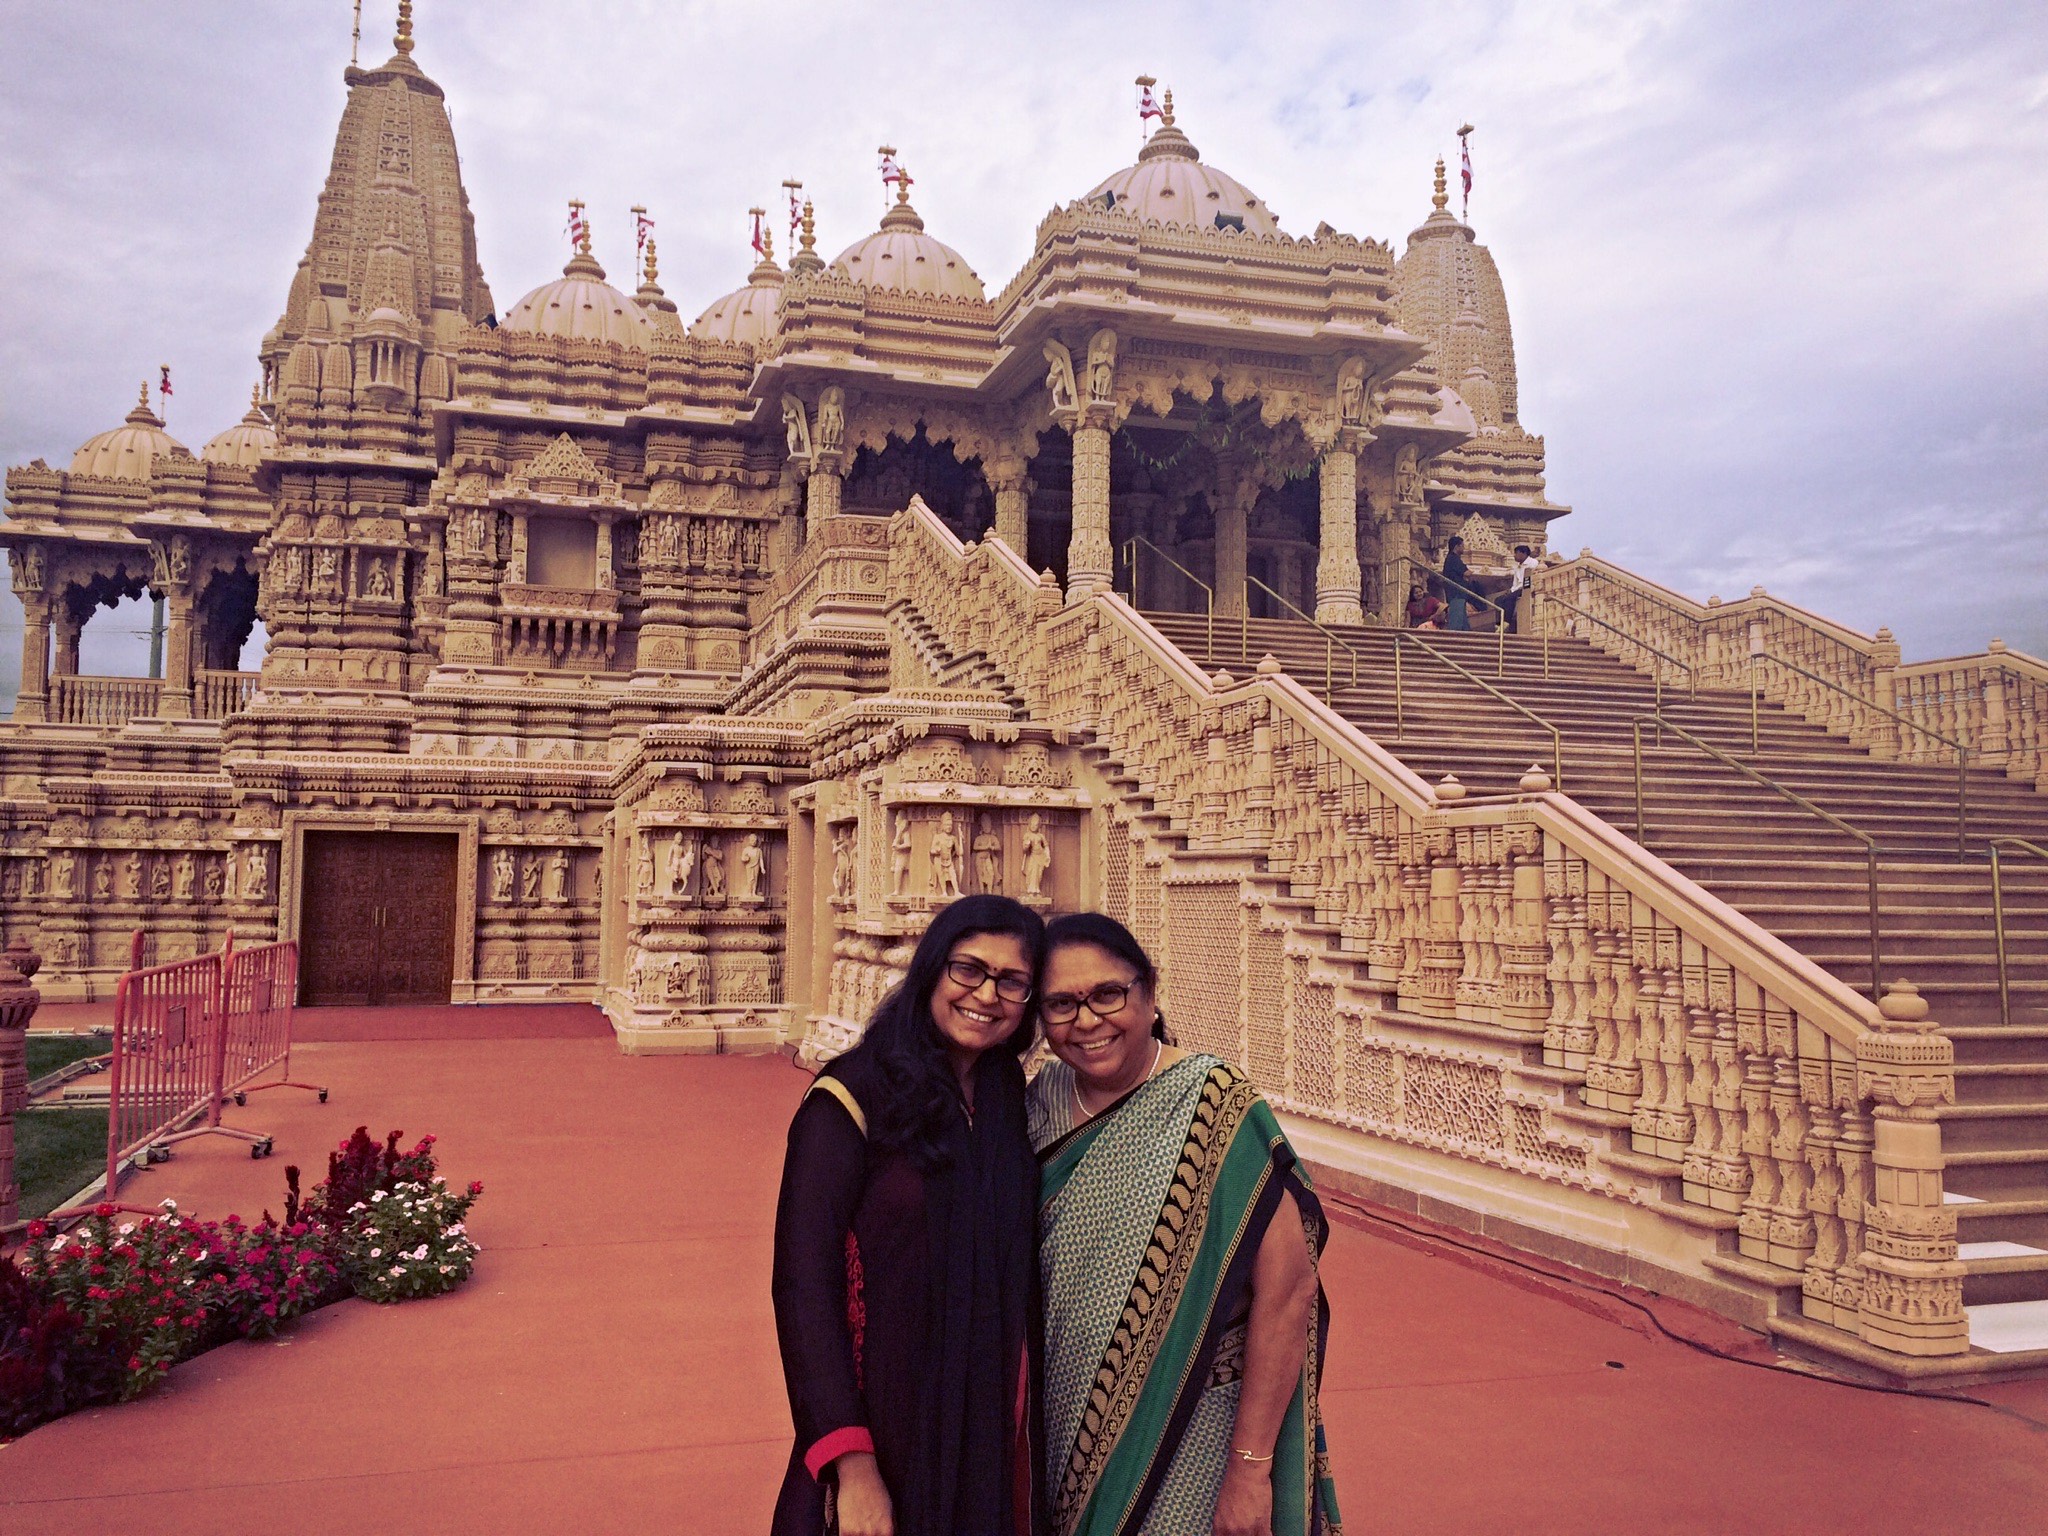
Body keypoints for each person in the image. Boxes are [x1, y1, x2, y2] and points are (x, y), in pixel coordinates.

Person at [1028, 913, 1341, 1536]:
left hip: (1196, 1423)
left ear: (1148, 992)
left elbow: (1287, 1290)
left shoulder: (1213, 1102)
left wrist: (1250, 1470)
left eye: (1108, 995)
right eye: (1061, 1004)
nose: (1086, 1021)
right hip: (1066, 1423)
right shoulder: (1039, 1102)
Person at [772, 894, 1046, 1536]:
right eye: (968, 969)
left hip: (983, 1423)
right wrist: (852, 1463)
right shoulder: (851, 1097)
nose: (987, 994)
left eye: (1013, 981)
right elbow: (803, 1286)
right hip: (886, 1422)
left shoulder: (1010, 1100)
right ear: (931, 970)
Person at [1503, 543, 1539, 634]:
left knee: (1509, 598)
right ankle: (1499, 623)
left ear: (1523, 553)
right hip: (1517, 589)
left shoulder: (1533, 563)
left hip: (1526, 587)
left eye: (1516, 553)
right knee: (1499, 600)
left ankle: (1506, 622)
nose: (1514, 556)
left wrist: (1513, 592)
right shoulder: (1517, 566)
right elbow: (1515, 583)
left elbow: (1528, 579)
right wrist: (1511, 590)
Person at [1440, 535, 1472, 631]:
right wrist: (1466, 576)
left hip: (1457, 592)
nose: (1463, 548)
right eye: (1462, 545)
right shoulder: (1453, 559)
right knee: (1456, 619)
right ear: (1456, 546)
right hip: (1456, 592)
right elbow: (1467, 572)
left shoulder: (1451, 559)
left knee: (1462, 620)